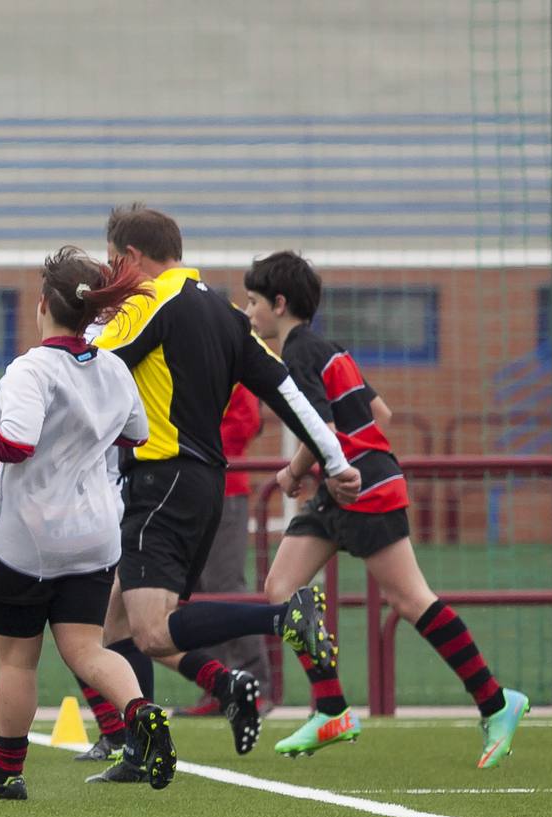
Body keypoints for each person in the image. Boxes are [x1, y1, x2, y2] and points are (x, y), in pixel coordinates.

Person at [88, 203, 360, 779]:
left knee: (152, 630)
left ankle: (281, 619)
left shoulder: (149, 301)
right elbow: (286, 391)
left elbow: (87, 368)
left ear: (132, 258)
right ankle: (142, 748)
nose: (112, 276)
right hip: (204, 484)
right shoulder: (226, 314)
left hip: (160, 480)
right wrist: (334, 460)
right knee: (114, 619)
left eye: (114, 264)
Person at [244, 252, 530, 766]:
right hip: (339, 487)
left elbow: (317, 425)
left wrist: (292, 472)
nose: (248, 312)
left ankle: (496, 700)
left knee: (410, 600)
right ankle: (330, 708)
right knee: (281, 588)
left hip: (362, 484)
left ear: (279, 304)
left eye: (253, 302)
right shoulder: (328, 348)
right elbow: (380, 411)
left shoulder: (298, 352)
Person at [0, 246, 175, 800]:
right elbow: (137, 435)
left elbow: (17, 443)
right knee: (88, 650)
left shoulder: (28, 370)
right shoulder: (112, 366)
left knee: (17, 661)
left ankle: (6, 776)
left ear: (42, 306)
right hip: (96, 535)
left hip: (27, 540)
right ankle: (143, 712)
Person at [179, 386, 278, 717]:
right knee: (199, 591)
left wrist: (193, 444)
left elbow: (246, 422)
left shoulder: (229, 362)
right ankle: (218, 686)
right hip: (192, 485)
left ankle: (258, 687)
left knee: (225, 587)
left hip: (223, 485)